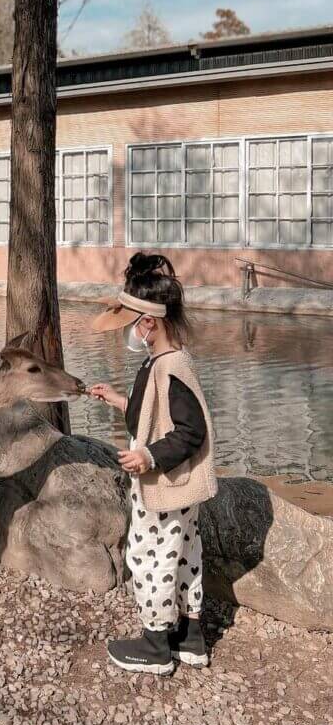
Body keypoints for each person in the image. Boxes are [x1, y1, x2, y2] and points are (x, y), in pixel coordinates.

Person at [88, 252, 217, 675]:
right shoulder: (162, 361)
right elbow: (151, 416)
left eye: (132, 322)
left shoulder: (171, 368)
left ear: (149, 323)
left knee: (150, 555)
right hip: (177, 487)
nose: (130, 331)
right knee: (183, 553)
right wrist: (118, 400)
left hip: (164, 487)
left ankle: (156, 643)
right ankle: (190, 637)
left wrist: (146, 456)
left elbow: (189, 431)